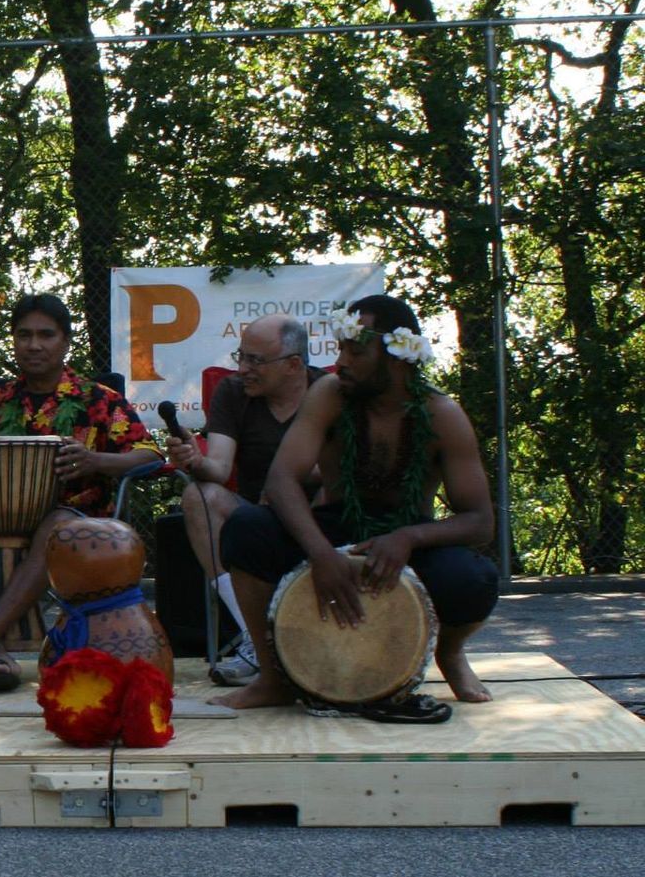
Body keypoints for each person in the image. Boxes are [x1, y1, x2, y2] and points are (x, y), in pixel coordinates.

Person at [214, 294, 499, 709]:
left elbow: (479, 521)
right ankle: (274, 678)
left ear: (397, 357)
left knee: (474, 579)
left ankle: (450, 653)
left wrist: (408, 537)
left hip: (408, 539)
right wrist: (321, 554)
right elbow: (281, 482)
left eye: (355, 351)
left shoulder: (442, 414)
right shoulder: (330, 394)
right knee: (245, 529)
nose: (341, 362)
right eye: (340, 348)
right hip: (336, 523)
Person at [0, 293, 161, 695]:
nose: (34, 345)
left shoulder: (100, 401)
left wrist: (95, 461)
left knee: (57, 524)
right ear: (13, 340)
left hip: (73, 523)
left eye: (46, 335)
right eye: (24, 335)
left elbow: (148, 456)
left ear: (66, 341)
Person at [163, 313, 322, 684]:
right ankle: (258, 640)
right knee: (199, 495)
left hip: (319, 517)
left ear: (294, 365)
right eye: (241, 356)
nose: (243, 368)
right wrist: (196, 460)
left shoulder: (328, 391)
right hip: (257, 522)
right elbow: (218, 468)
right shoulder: (234, 392)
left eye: (255, 360)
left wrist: (288, 483)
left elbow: (341, 471)